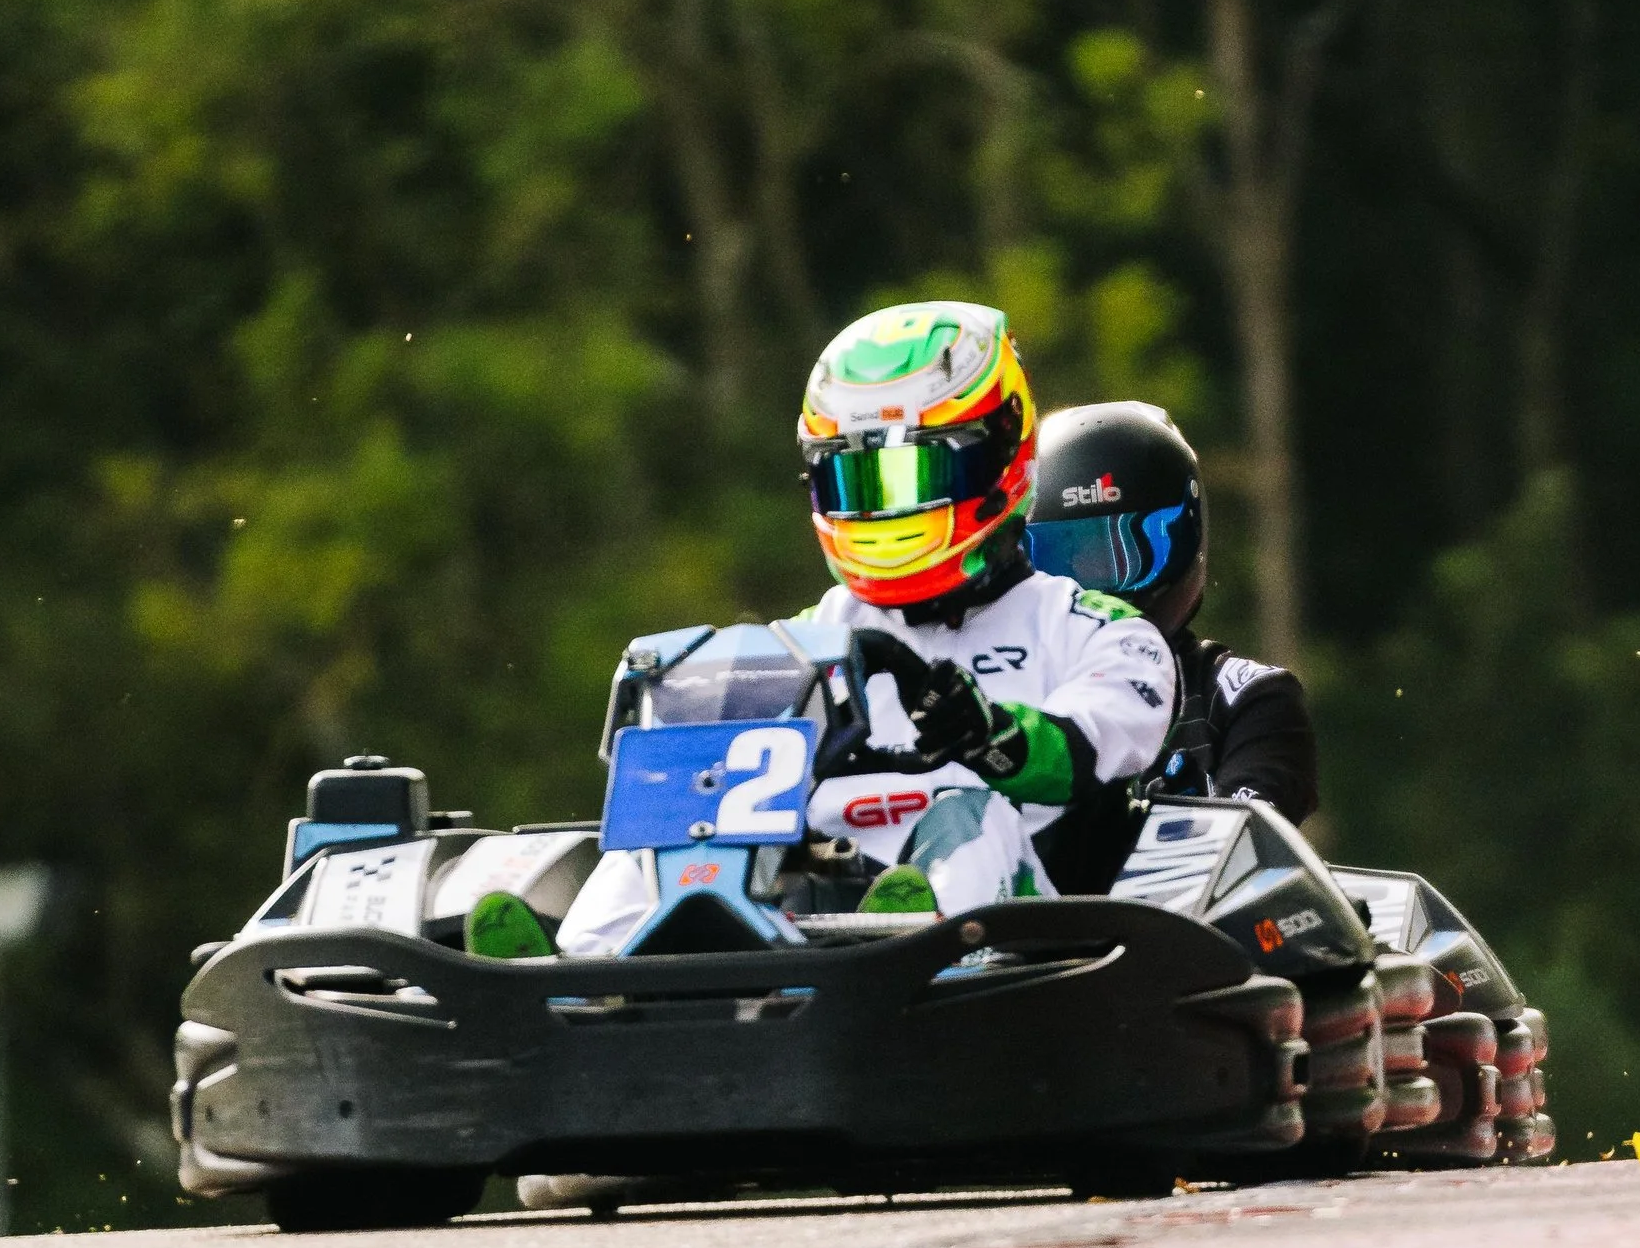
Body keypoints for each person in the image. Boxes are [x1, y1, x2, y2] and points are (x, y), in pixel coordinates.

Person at [495, 302, 1176, 955]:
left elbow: (1087, 749)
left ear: (999, 453)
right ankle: (582, 967)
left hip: (1017, 939)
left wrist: (991, 734)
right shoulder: (807, 640)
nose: (881, 511)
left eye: (911, 474)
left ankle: (909, 943)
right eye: (856, 482)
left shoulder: (1097, 631)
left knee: (968, 813)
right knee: (673, 819)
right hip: (813, 916)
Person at [1025, 401, 1320, 846]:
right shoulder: (1002, 699)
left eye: (1123, 556)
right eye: (1068, 562)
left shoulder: (1247, 699)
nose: (1096, 595)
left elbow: (1247, 840)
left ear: (1185, 539)